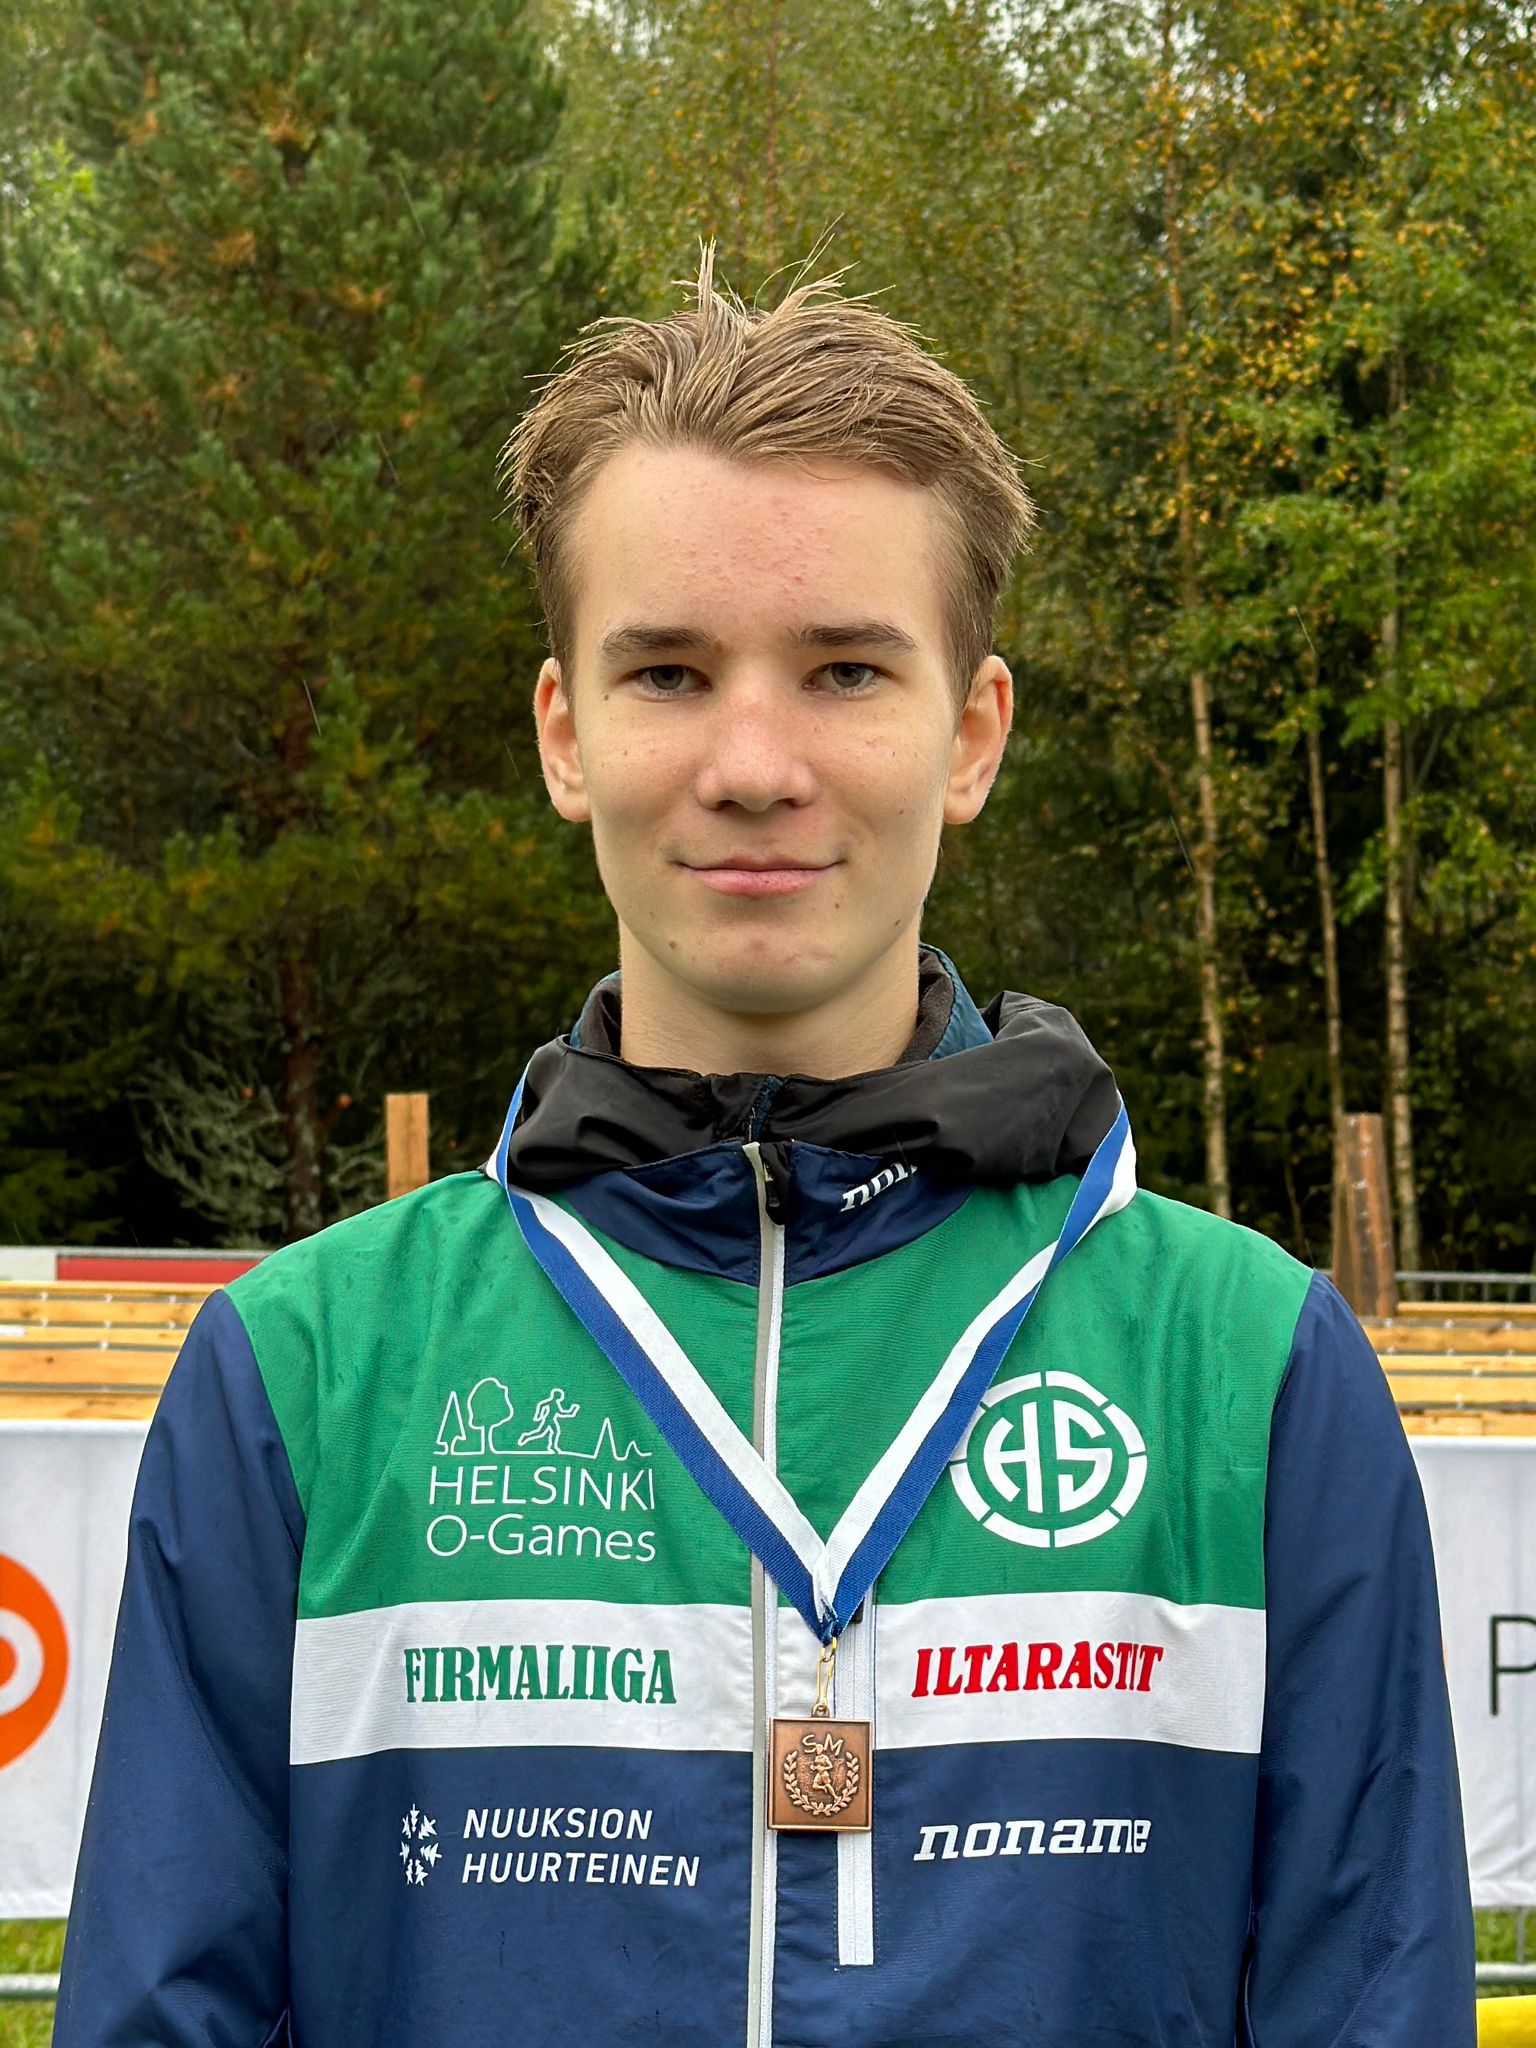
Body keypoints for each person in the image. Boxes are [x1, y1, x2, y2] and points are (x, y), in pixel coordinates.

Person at [55, 248, 1475, 2047]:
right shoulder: (303, 1374)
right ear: (566, 734)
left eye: (844, 671)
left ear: (971, 735)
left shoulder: (1254, 1370)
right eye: (666, 671)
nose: (752, 763)